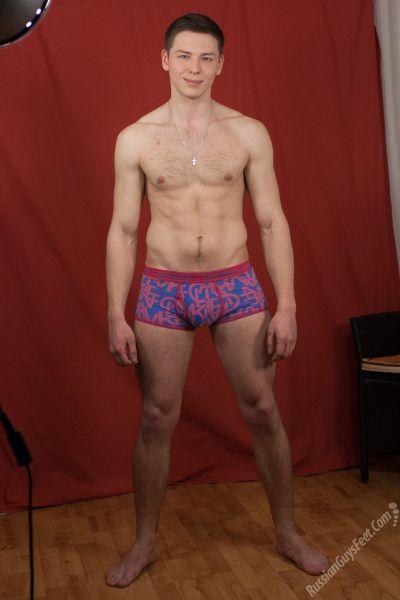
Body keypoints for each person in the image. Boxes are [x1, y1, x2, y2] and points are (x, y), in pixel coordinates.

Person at [105, 12, 330, 589]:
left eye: (206, 58)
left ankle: (286, 532)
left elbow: (273, 222)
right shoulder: (136, 138)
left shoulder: (248, 133)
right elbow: (123, 231)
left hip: (235, 286)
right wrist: (114, 312)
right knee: (155, 418)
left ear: (221, 64)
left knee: (263, 411)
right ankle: (144, 543)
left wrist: (288, 305)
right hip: (164, 287)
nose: (195, 68)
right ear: (165, 59)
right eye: (184, 56)